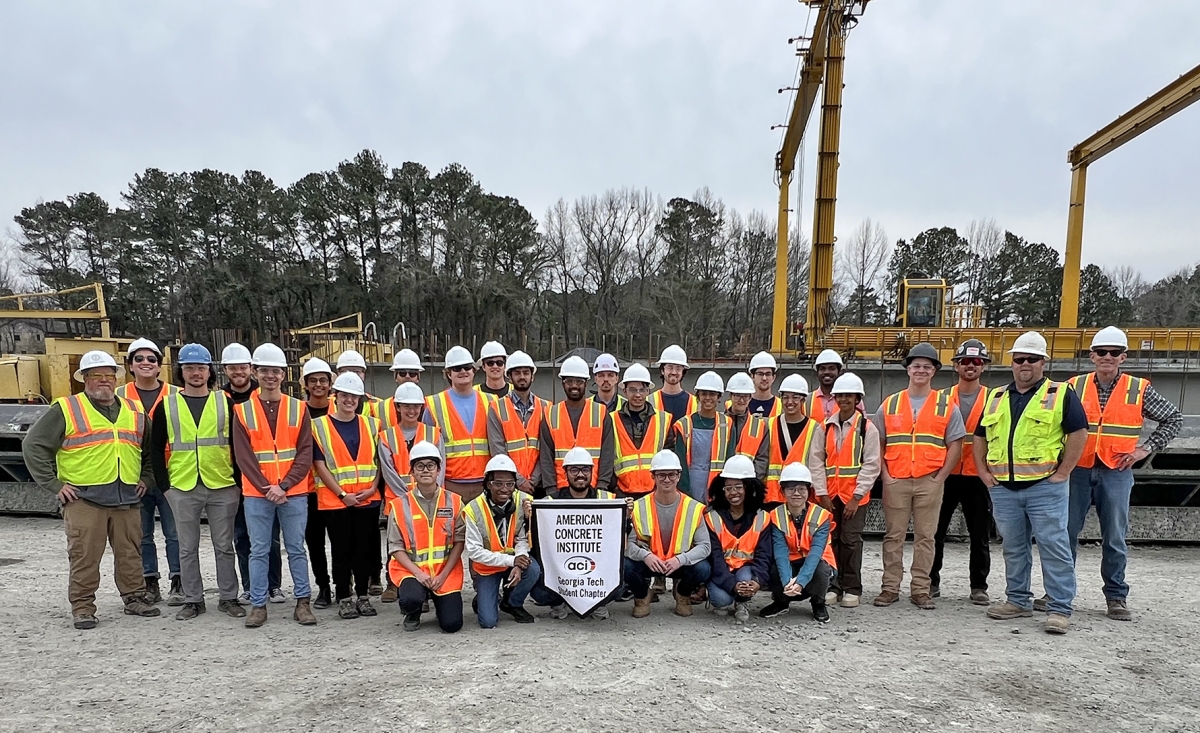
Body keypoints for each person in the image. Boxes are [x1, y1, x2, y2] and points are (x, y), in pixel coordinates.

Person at [22, 350, 160, 628]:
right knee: (85, 555)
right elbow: (33, 446)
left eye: (109, 376)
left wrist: (147, 477)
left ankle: (135, 598)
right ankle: (83, 607)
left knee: (130, 552)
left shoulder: (134, 411)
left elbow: (150, 450)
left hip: (127, 497)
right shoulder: (67, 408)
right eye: (96, 376)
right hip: (84, 499)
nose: (104, 381)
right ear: (84, 379)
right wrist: (54, 484)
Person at [973, 331, 1088, 635]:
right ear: (1012, 363)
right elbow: (980, 436)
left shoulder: (1060, 393)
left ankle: (1060, 608)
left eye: (1032, 359)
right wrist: (983, 473)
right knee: (1013, 546)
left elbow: (1078, 433)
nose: (1025, 364)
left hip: (1044, 487)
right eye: (1019, 359)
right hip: (1005, 489)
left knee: (1054, 546)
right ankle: (1018, 600)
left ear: (1043, 362)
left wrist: (1063, 472)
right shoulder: (996, 396)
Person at [1065, 326, 1183, 621]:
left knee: (1115, 537)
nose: (1107, 357)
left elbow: (1173, 418)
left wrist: (1145, 449)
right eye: (1102, 352)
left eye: (1114, 353)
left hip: (1116, 470)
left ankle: (1116, 596)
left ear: (1123, 357)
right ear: (1092, 356)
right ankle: (1059, 592)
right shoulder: (1073, 387)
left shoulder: (1138, 388)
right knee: (1064, 534)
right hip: (1077, 469)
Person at [147, 344, 244, 620]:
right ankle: (193, 600)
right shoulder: (168, 405)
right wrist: (165, 487)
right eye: (189, 368)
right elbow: (155, 448)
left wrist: (236, 482)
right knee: (186, 547)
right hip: (182, 485)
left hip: (222, 483)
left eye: (201, 368)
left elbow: (237, 445)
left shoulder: (225, 402)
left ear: (209, 371)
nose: (196, 373)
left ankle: (228, 597)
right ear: (181, 372)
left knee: (224, 545)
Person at [872, 342, 965, 610]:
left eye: (927, 366)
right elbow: (878, 441)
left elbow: (955, 444)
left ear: (934, 371)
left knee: (926, 537)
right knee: (893, 536)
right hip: (896, 479)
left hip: (929, 480)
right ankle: (890, 588)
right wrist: (885, 475)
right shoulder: (891, 404)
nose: (921, 370)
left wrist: (940, 478)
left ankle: (921, 590)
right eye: (916, 366)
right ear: (908, 370)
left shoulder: (946, 405)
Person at [232, 343, 317, 628]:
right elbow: (243, 456)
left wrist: (285, 485)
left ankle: (302, 602)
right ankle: (259, 605)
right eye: (265, 370)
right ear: (255, 372)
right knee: (258, 550)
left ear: (284, 374)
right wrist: (268, 487)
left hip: (293, 492)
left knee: (296, 548)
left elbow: (305, 452)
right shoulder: (242, 411)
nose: (271, 376)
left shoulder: (298, 408)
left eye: (276, 371)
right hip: (258, 494)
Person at [312, 373, 382, 620]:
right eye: (345, 395)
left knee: (363, 550)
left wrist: (373, 488)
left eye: (354, 396)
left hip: (366, 499)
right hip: (336, 501)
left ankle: (362, 596)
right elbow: (319, 465)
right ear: (336, 396)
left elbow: (379, 462)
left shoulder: (372, 425)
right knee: (341, 551)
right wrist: (342, 494)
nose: (349, 400)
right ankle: (344, 597)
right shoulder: (319, 426)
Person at [931, 339, 995, 606]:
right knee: (935, 531)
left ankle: (978, 586)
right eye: (966, 362)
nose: (971, 366)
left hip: (979, 474)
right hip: (946, 473)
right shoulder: (942, 399)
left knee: (979, 534)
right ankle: (931, 580)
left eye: (976, 362)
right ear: (956, 365)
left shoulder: (994, 398)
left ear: (983, 367)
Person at [120, 337, 182, 606]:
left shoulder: (177, 395)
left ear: (159, 366)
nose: (145, 363)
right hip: (135, 477)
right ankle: (150, 581)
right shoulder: (120, 396)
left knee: (175, 532)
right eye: (139, 359)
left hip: (171, 474)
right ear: (130, 365)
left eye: (151, 360)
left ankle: (178, 580)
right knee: (142, 534)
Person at [530, 447, 625, 620]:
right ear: (565, 472)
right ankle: (559, 602)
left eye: (585, 469)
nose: (580, 474)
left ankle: (598, 602)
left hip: (596, 570)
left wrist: (626, 513)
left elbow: (619, 535)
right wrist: (530, 515)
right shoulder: (550, 502)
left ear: (592, 471)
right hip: (563, 572)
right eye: (574, 470)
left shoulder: (608, 500)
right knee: (539, 591)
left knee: (620, 582)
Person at [222, 342, 284, 605]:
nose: (239, 371)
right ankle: (250, 586)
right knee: (243, 538)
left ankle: (274, 586)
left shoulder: (265, 399)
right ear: (225, 370)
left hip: (269, 482)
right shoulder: (220, 400)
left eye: (243, 367)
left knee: (270, 538)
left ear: (251, 369)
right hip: (235, 480)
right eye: (233, 367)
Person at [386, 441, 466, 633]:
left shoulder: (454, 501)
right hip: (412, 572)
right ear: (412, 471)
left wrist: (443, 575)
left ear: (438, 469)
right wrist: (419, 574)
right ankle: (412, 610)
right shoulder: (399, 506)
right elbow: (395, 547)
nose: (425, 470)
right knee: (411, 598)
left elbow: (459, 541)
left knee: (452, 625)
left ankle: (439, 603)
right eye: (419, 466)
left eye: (430, 465)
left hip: (443, 572)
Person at [624, 450, 712, 618]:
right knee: (625, 566)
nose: (667, 479)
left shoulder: (693, 508)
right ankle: (642, 596)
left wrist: (681, 559)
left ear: (679, 476)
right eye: (661, 475)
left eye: (671, 475)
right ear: (653, 477)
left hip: (678, 564)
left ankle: (682, 594)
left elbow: (705, 546)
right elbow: (627, 546)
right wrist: (645, 556)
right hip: (649, 563)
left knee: (703, 569)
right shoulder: (638, 507)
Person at [378, 381, 444, 603]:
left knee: (427, 543)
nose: (411, 410)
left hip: (429, 499)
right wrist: (409, 497)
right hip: (397, 500)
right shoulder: (386, 436)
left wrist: (430, 492)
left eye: (415, 406)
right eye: (406, 406)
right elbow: (388, 471)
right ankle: (393, 583)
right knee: (397, 543)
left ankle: (428, 585)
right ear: (397, 407)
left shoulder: (433, 433)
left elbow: (439, 467)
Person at [822, 372, 881, 609]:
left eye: (849, 395)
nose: (844, 399)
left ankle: (852, 588)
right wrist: (822, 494)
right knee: (830, 540)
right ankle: (832, 585)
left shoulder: (867, 429)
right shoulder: (825, 427)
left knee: (851, 541)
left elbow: (872, 465)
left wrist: (856, 497)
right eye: (840, 395)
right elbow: (817, 462)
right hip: (829, 496)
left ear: (858, 399)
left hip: (854, 498)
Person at [463, 454, 540, 627]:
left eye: (509, 484)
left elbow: (522, 538)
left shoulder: (524, 501)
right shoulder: (473, 509)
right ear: (487, 484)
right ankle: (485, 598)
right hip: (487, 568)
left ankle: (512, 603)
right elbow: (475, 552)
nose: (504, 489)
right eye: (498, 483)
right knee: (488, 622)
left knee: (532, 569)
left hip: (512, 562)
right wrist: (512, 560)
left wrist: (519, 563)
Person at [760, 463, 837, 623]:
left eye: (801, 489)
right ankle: (781, 602)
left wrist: (801, 582)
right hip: (790, 563)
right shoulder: (775, 515)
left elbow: (816, 553)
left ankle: (818, 603)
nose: (796, 493)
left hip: (815, 564)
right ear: (783, 491)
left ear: (808, 491)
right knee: (773, 565)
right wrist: (788, 582)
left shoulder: (821, 516)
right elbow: (780, 552)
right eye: (791, 489)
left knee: (821, 568)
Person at [704, 455, 773, 623]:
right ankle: (726, 597)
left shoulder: (762, 517)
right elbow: (715, 558)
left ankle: (742, 602)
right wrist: (731, 585)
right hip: (720, 572)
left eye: (738, 487)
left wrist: (757, 582)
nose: (733, 492)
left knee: (746, 579)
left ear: (748, 488)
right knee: (721, 600)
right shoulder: (712, 517)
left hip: (746, 571)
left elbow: (764, 556)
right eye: (728, 488)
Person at [539, 356, 616, 492]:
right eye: (569, 381)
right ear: (562, 383)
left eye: (579, 381)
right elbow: (546, 457)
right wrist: (551, 490)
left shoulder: (601, 412)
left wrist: (602, 486)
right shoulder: (551, 414)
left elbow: (607, 454)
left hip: (593, 489)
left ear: (586, 383)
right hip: (560, 491)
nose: (574, 385)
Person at [428, 345, 492, 502]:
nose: (463, 371)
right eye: (457, 368)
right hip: (451, 484)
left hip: (484, 482)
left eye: (467, 367)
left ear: (474, 371)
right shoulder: (433, 403)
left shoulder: (491, 401)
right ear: (448, 373)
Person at [486, 350, 547, 496]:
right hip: (509, 485)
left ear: (532, 376)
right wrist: (518, 480)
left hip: (538, 485)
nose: (522, 377)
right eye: (517, 373)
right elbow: (497, 450)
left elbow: (546, 449)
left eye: (526, 372)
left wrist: (533, 479)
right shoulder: (497, 408)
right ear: (509, 377)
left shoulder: (546, 407)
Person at [667, 371, 734, 503]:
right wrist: (685, 492)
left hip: (718, 485)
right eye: (704, 394)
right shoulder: (683, 424)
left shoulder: (727, 424)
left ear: (719, 397)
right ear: (698, 396)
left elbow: (729, 458)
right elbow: (680, 462)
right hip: (691, 483)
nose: (708, 398)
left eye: (712, 394)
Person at [301, 357, 335, 609]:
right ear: (306, 384)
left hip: (336, 489)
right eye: (313, 380)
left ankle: (344, 584)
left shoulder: (340, 409)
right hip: (309, 489)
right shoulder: (299, 411)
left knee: (341, 542)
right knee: (314, 542)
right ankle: (323, 586)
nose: (319, 385)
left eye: (323, 380)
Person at [764, 374, 828, 508]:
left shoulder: (816, 428)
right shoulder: (768, 425)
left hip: (802, 496)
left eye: (795, 397)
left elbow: (818, 463)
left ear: (803, 400)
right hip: (773, 495)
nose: (790, 401)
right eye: (785, 397)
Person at [610, 363, 671, 499]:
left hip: (655, 492)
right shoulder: (612, 419)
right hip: (622, 492)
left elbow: (669, 456)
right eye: (632, 390)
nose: (637, 395)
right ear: (624, 391)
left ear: (648, 391)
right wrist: (614, 487)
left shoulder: (663, 419)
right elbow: (607, 457)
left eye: (642, 390)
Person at [723, 372, 770, 480]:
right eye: (738, 396)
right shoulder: (719, 422)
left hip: (749, 481)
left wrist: (750, 482)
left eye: (745, 396)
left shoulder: (760, 426)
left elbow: (762, 459)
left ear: (750, 397)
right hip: (724, 481)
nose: (742, 400)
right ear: (731, 396)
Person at [648, 344, 697, 426]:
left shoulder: (696, 403)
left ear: (683, 372)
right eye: (670, 367)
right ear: (662, 370)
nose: (674, 372)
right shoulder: (649, 401)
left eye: (678, 368)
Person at [379, 349, 426, 428]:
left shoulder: (429, 406)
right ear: (395, 376)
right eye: (402, 373)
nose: (407, 376)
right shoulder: (380, 408)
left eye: (412, 373)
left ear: (418, 377)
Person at [336, 349, 381, 421]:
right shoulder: (328, 403)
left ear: (364, 374)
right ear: (338, 374)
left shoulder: (378, 405)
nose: (351, 375)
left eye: (356, 371)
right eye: (346, 371)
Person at [809, 349, 853, 422]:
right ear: (817, 372)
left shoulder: (852, 400)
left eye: (831, 368)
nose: (826, 372)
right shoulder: (806, 401)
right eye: (822, 369)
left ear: (839, 371)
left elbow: (861, 426)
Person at [747, 351, 782, 418]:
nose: (764, 378)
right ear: (752, 376)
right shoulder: (736, 405)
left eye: (768, 374)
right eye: (760, 374)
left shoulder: (782, 406)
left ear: (773, 377)